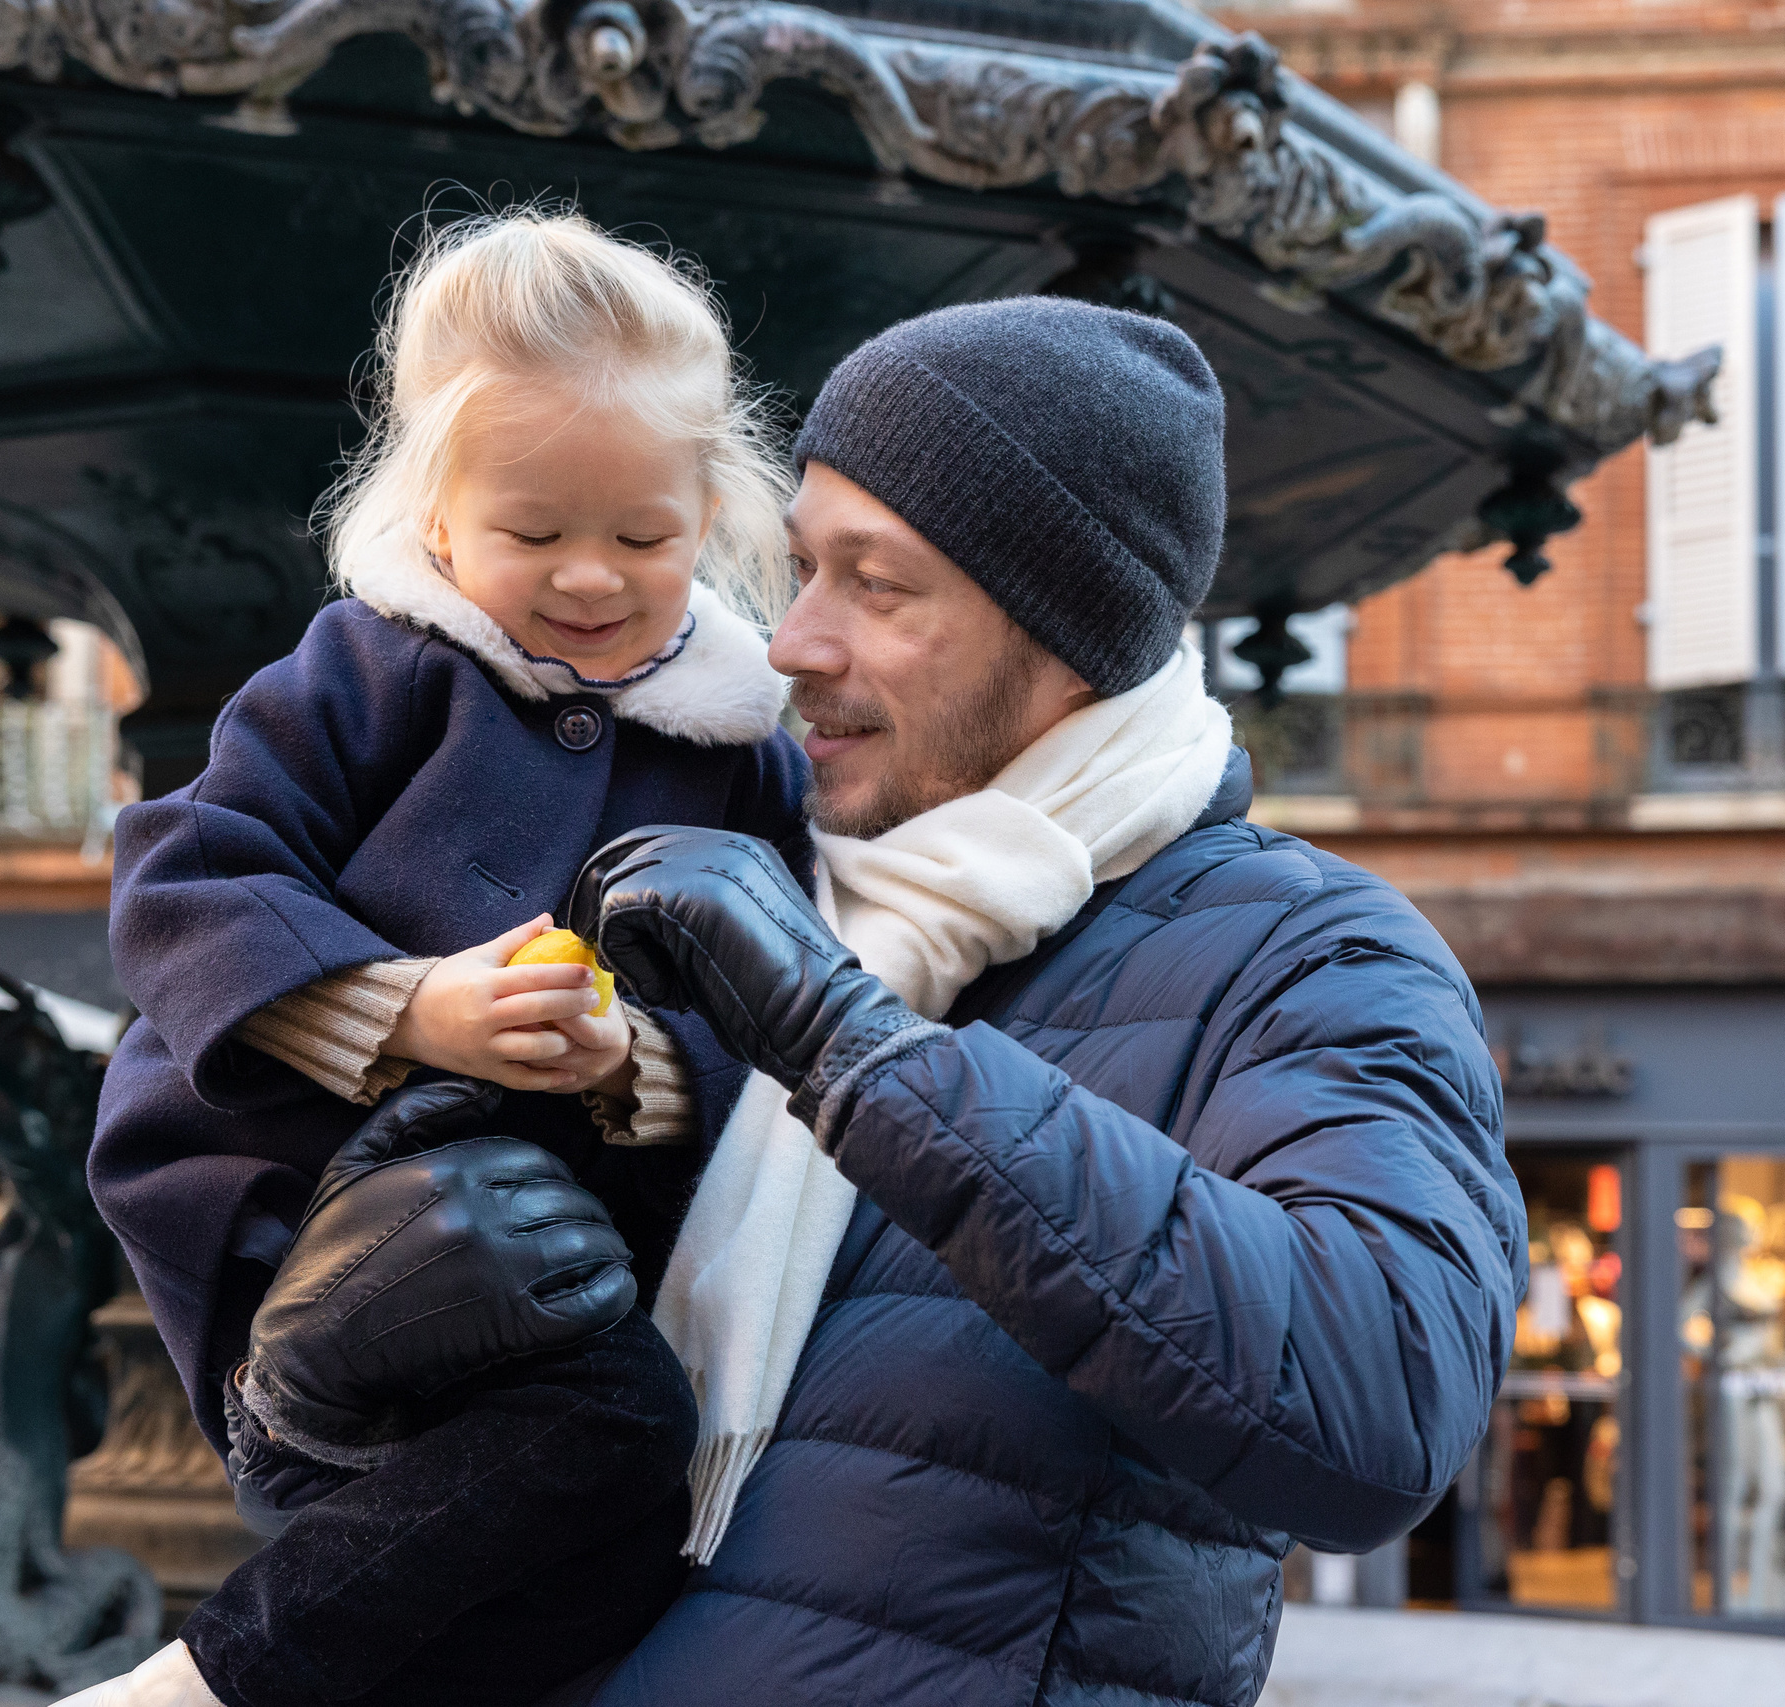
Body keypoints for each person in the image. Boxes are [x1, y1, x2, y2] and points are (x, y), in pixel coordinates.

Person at [545, 297, 1527, 1704]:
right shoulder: (776, 879)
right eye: (801, 567)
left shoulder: (1313, 949)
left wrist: (854, 1051)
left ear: (1068, 628)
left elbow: (1382, 1405)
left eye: (874, 583)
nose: (793, 642)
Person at [78, 209, 811, 1707]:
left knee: (608, 1553)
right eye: (535, 534)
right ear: (436, 523)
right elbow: (180, 873)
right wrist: (411, 1006)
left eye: (646, 537)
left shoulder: (748, 752)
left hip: (557, 1262)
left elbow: (795, 1002)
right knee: (614, 1426)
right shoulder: (376, 666)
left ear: (715, 518)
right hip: (321, 1243)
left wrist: (647, 1065)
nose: (592, 576)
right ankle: (195, 1684)